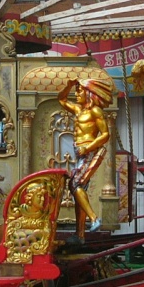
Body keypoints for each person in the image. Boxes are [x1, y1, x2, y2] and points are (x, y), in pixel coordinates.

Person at [58, 76, 113, 241]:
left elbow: (105, 135)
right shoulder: (78, 110)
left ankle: (94, 218)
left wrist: (87, 147)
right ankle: (80, 234)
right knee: (78, 190)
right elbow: (61, 99)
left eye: (79, 90)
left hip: (90, 152)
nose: (77, 93)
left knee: (75, 184)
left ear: (89, 93)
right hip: (79, 153)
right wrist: (68, 86)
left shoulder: (95, 111)